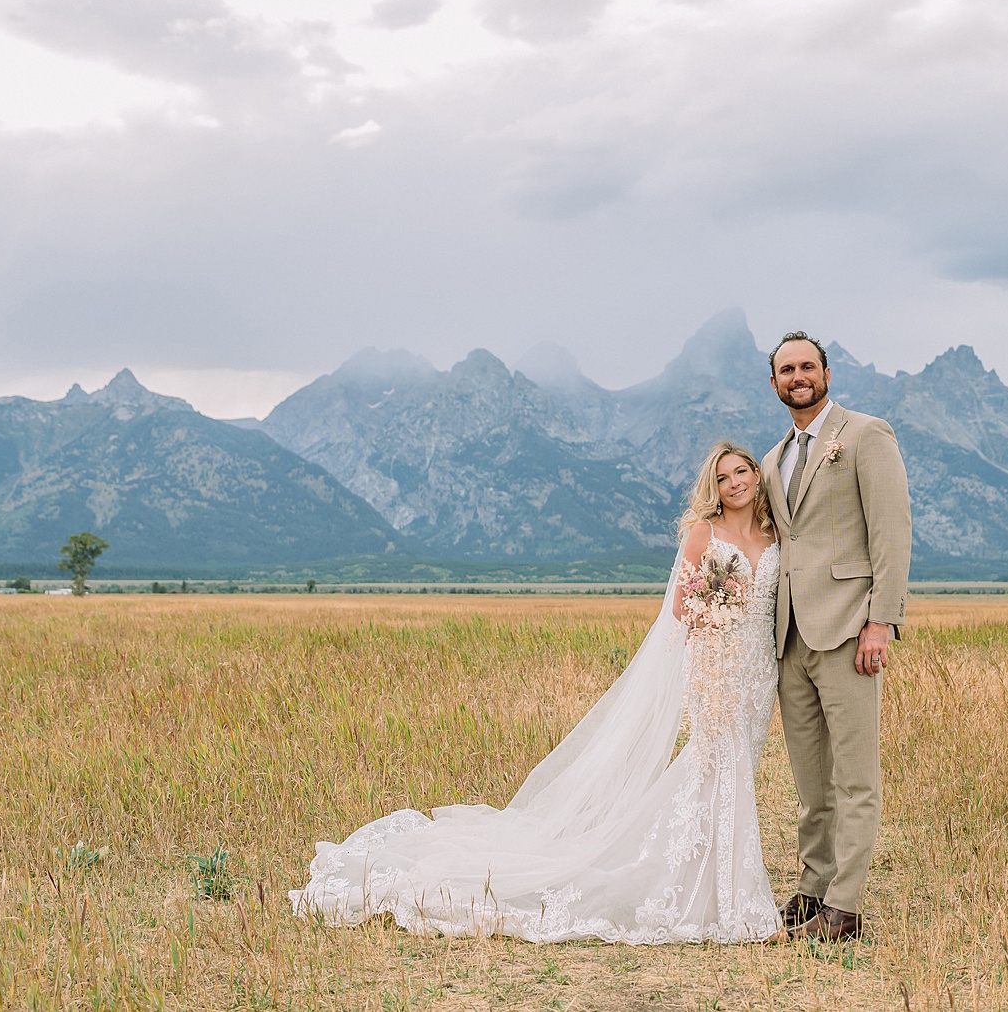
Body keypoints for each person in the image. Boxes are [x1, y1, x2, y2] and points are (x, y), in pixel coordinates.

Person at [290, 442, 785, 944]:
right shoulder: (705, 533)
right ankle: (731, 895)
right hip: (717, 672)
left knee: (738, 765)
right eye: (723, 478)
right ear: (714, 489)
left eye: (742, 470)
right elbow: (681, 609)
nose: (735, 482)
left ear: (757, 474)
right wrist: (721, 608)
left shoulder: (773, 534)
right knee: (721, 762)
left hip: (758, 671)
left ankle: (713, 876)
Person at [762, 331, 911, 942]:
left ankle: (845, 908)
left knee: (854, 777)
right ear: (773, 384)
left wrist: (882, 620)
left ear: (826, 372)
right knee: (809, 781)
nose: (798, 376)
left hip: (850, 631)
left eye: (807, 366)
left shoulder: (865, 436)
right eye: (785, 370)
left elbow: (892, 532)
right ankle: (811, 890)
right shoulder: (773, 460)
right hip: (790, 639)